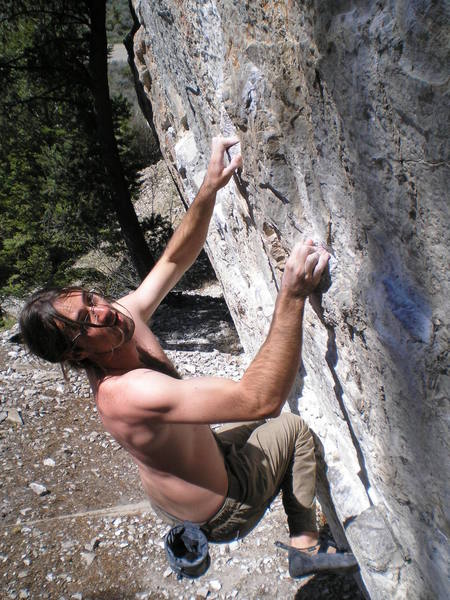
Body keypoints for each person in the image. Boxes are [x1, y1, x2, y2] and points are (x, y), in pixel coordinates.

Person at [20, 137, 357, 577]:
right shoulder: (127, 394)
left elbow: (175, 260)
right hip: (221, 508)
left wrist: (209, 187)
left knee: (251, 426)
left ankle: (194, 537)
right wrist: (291, 294)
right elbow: (261, 400)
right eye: (87, 319)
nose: (103, 310)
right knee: (292, 430)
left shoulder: (118, 320)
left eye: (90, 297)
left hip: (191, 475)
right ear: (78, 351)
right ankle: (306, 547)